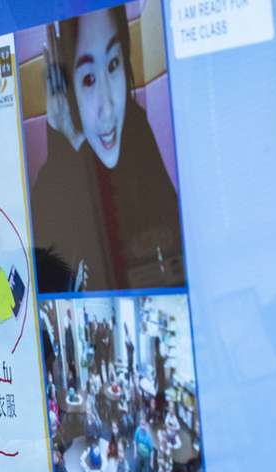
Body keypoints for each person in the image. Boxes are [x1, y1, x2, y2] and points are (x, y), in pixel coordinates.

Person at [31, 6, 183, 293]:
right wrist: (64, 140)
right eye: (88, 79)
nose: (108, 107)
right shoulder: (64, 167)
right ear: (67, 88)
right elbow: (42, 280)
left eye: (113, 65)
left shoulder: (136, 129)